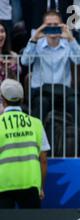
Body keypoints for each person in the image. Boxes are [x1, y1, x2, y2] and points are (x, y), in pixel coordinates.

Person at [20, 10, 80, 121]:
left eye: (56, 25)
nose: (52, 27)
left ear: (62, 25)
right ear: (43, 26)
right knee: (41, 102)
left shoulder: (68, 43)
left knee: (74, 102)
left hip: (63, 91)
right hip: (41, 91)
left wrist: (71, 39)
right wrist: (34, 39)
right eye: (48, 25)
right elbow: (25, 61)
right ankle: (36, 137)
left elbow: (79, 61)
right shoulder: (36, 43)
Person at [0, 79, 50, 208]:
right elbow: (43, 160)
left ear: (3, 100)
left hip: (3, 184)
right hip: (31, 183)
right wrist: (40, 187)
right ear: (22, 100)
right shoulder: (36, 123)